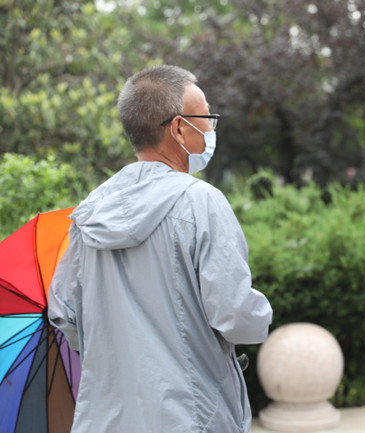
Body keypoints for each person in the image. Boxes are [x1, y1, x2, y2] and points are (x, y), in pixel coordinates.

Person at [48, 65, 273, 433]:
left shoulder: (90, 212)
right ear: (179, 128)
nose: (211, 128)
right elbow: (234, 315)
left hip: (106, 419)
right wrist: (262, 314)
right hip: (191, 416)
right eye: (207, 118)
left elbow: (64, 313)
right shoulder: (201, 202)